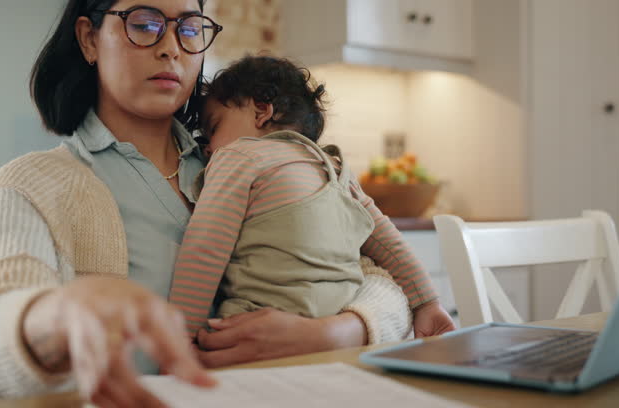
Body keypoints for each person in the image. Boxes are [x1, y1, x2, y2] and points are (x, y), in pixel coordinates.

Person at [0, 0, 426, 408]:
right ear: (88, 39)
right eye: (144, 25)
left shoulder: (250, 160)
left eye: (188, 29)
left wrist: (334, 332)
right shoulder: (31, 185)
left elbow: (376, 278)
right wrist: (52, 316)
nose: (171, 49)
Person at [169, 56, 455, 351]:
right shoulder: (337, 169)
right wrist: (428, 304)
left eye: (213, 127)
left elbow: (205, 246)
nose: (208, 146)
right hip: (342, 342)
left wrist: (183, 335)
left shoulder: (239, 156)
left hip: (254, 334)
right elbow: (390, 245)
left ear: (262, 111)